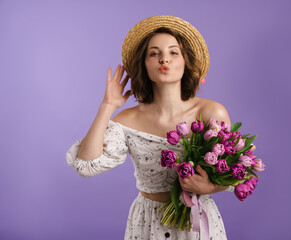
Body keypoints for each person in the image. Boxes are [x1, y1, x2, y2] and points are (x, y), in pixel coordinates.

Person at [66, 15, 233, 239]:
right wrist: (107, 106)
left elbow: (230, 174)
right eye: (154, 53)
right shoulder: (127, 120)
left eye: (173, 52)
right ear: (144, 64)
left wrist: (209, 188)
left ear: (186, 61)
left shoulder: (212, 113)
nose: (164, 59)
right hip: (146, 223)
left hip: (196, 221)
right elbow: (86, 165)